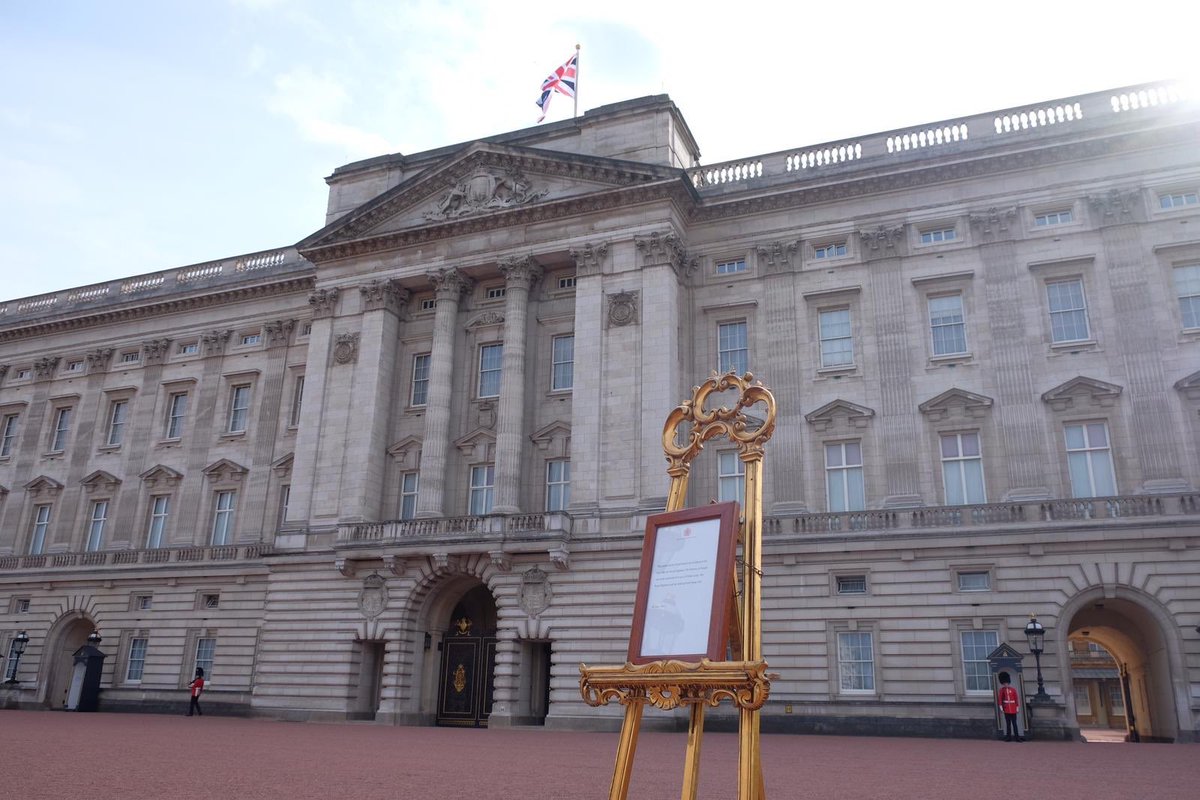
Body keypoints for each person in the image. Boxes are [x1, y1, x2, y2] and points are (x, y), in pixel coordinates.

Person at [997, 672, 1023, 741]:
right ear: (1003, 683)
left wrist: (1017, 707)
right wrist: (1001, 707)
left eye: (1007, 683)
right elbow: (1000, 699)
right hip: (1006, 709)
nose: (1006, 684)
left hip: (1013, 708)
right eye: (1004, 683)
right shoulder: (1002, 690)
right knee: (1008, 724)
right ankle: (1008, 737)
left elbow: (1016, 699)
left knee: (1014, 724)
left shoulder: (1013, 690)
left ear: (1008, 683)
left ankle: (1017, 737)